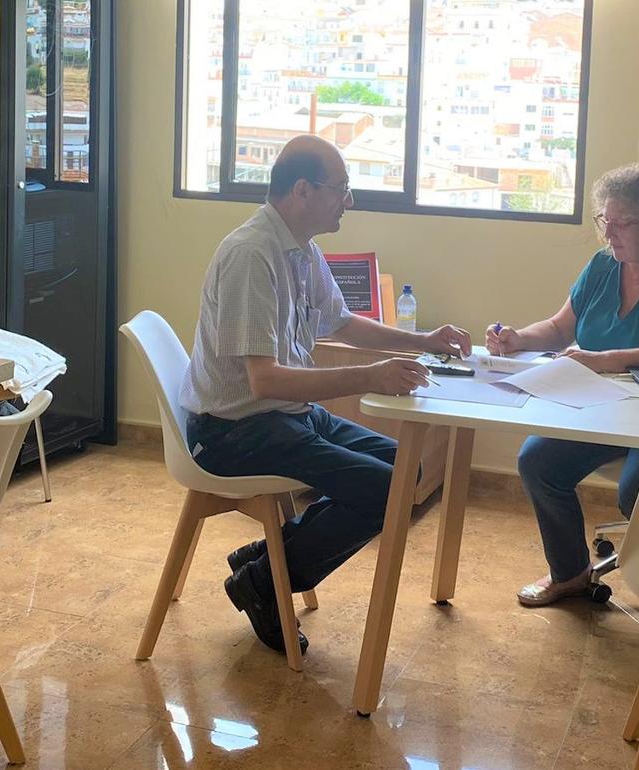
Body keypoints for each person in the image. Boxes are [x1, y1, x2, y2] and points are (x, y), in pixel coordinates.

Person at [180, 135, 472, 653]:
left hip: (282, 415)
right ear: (303, 191)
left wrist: (423, 341)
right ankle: (264, 580)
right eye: (341, 188)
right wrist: (370, 376)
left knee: (407, 470)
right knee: (386, 489)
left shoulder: (302, 250)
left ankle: (265, 561)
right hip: (233, 431)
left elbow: (341, 322)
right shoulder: (252, 256)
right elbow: (265, 380)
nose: (349, 200)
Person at [485, 163, 639, 607]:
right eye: (605, 220)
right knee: (538, 462)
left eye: (623, 223)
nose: (609, 232)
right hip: (604, 406)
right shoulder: (603, 265)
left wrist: (607, 359)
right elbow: (560, 327)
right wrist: (519, 338)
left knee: (638, 491)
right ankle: (570, 574)